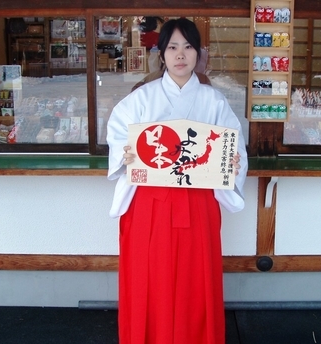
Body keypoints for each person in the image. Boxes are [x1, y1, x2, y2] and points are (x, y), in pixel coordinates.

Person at [106, 18, 248, 344]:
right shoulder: (141, 99)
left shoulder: (213, 101)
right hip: (148, 203)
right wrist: (126, 154)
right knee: (148, 279)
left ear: (199, 53)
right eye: (172, 47)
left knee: (195, 282)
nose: (180, 55)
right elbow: (117, 138)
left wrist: (232, 161)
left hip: (198, 203)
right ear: (162, 53)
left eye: (188, 46)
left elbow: (232, 146)